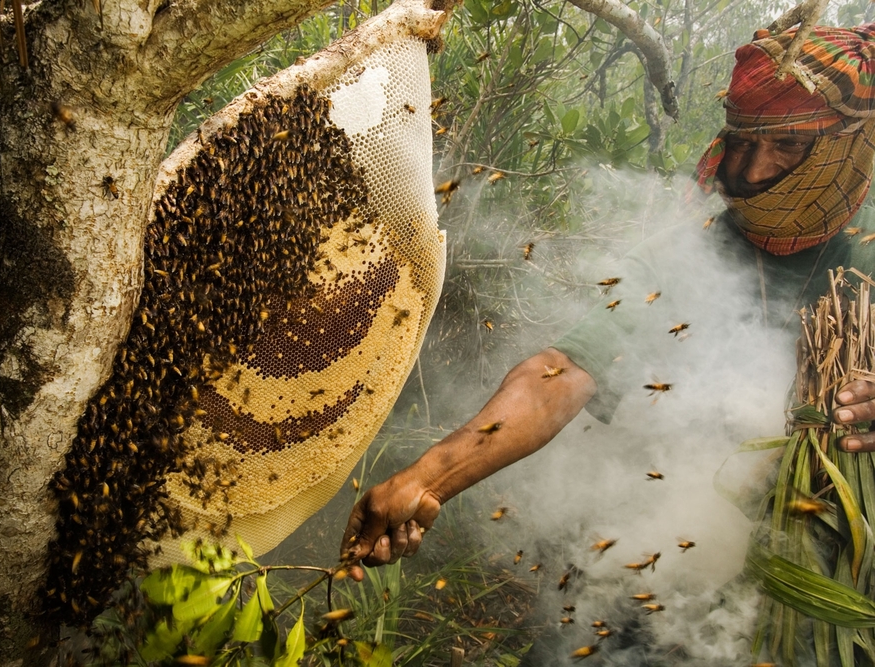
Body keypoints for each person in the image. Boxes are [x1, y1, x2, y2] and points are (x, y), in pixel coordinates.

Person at [339, 22, 875, 578]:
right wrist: (426, 479)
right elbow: (562, 372)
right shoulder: (683, 256)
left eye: (787, 144)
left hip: (835, 583)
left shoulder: (869, 254)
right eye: (744, 144)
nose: (756, 171)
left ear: (849, 146)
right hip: (676, 555)